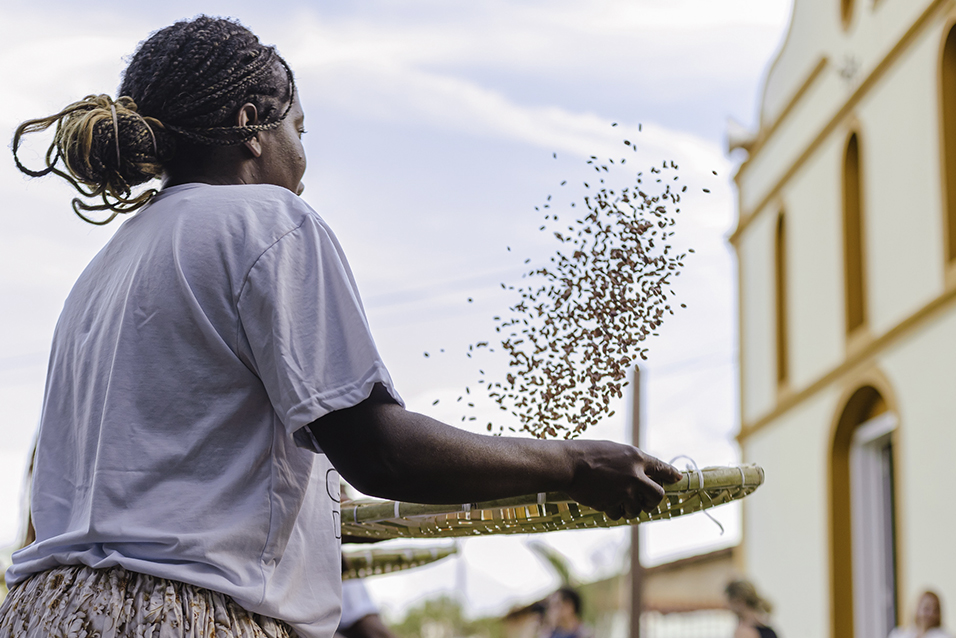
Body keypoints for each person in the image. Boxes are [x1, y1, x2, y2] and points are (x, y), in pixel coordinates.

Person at [1, 15, 681, 638]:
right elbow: (376, 450)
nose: (303, 158)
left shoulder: (104, 269)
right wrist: (574, 463)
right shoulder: (268, 221)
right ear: (251, 126)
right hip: (183, 616)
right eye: (300, 129)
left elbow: (158, 486)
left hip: (44, 613)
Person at [889, 591, 954, 638]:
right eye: (926, 608)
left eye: (935, 610)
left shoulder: (945, 636)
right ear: (916, 608)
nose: (931, 614)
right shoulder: (898, 634)